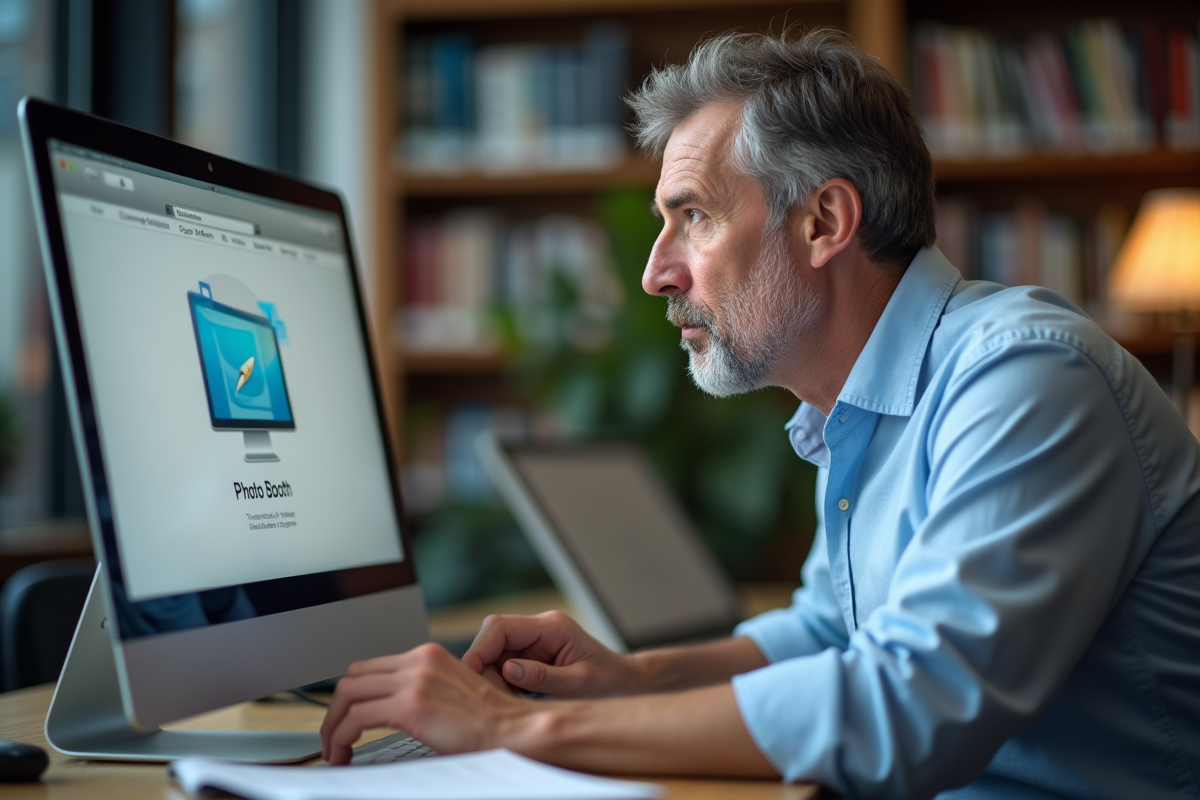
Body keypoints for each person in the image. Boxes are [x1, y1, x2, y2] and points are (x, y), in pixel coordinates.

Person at [320, 29, 1200, 799]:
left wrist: (509, 728)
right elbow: (827, 629)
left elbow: (912, 706)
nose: (655, 272)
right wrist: (627, 681)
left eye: (693, 217)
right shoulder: (856, 407)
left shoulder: (1026, 377)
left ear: (824, 221)